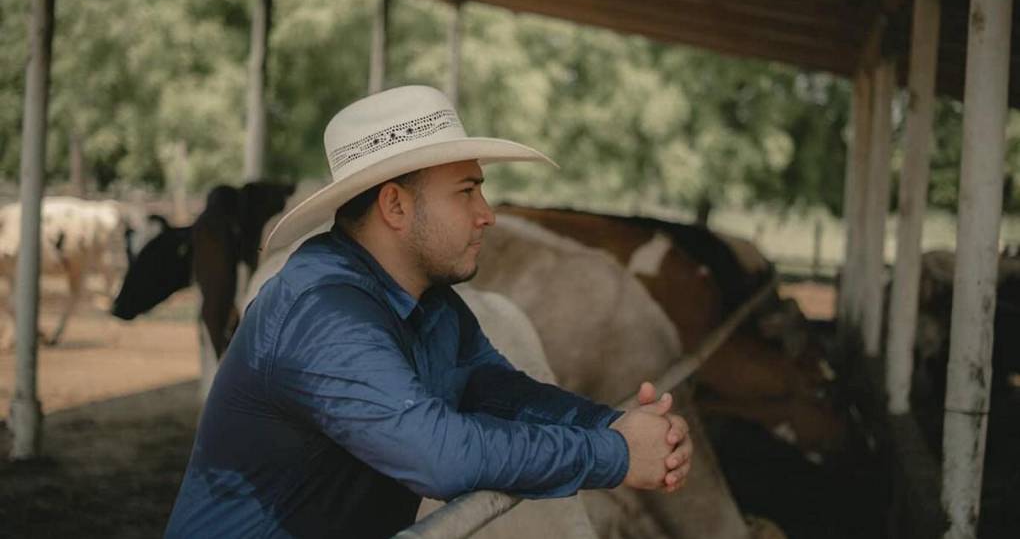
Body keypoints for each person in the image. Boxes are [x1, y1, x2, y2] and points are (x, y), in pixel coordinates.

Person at [165, 85, 693, 538]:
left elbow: (499, 392)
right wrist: (616, 455)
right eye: (466, 192)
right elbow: (439, 458)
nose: (487, 216)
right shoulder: (322, 313)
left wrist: (617, 426)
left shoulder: (427, 299)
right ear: (395, 206)